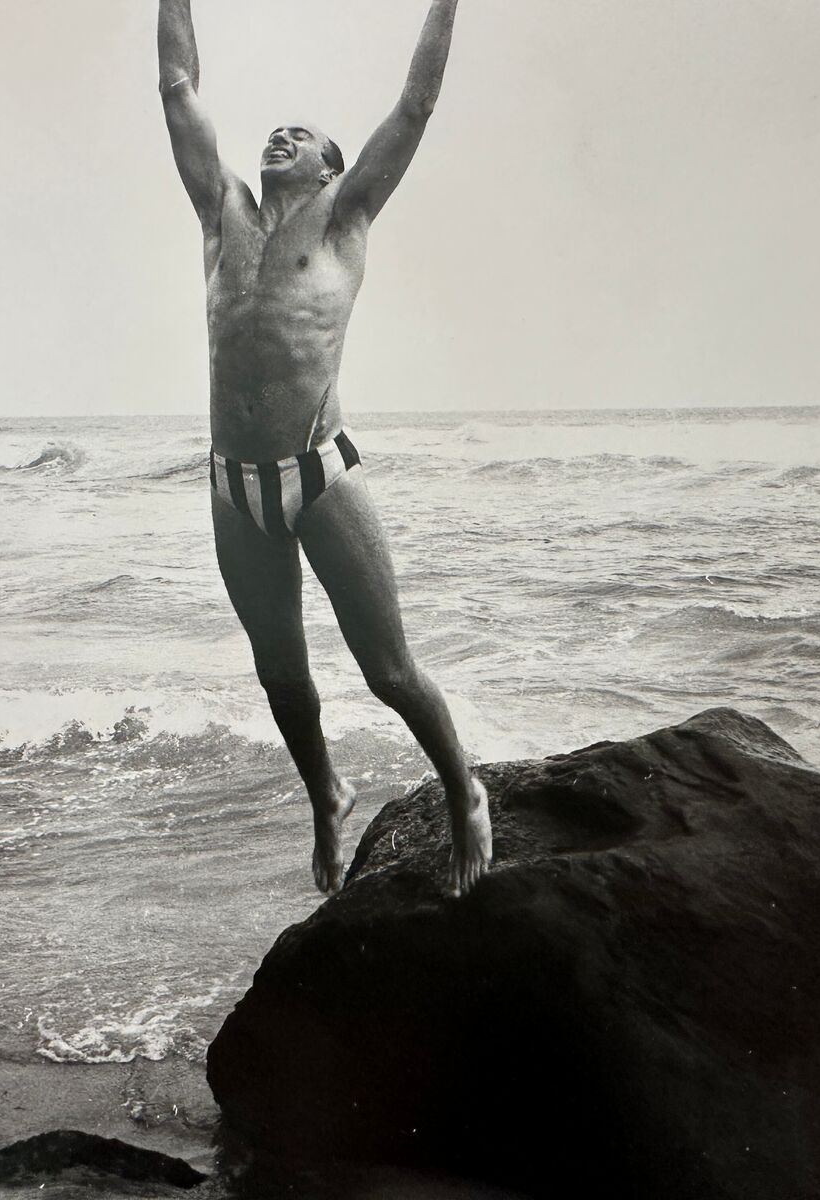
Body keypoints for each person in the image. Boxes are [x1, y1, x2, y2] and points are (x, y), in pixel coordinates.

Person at [158, 0, 491, 896]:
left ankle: (465, 790)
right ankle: (326, 796)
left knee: (387, 671)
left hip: (318, 475)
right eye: (276, 129)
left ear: (330, 168)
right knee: (282, 680)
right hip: (235, 489)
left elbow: (416, 105)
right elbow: (179, 86)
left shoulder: (344, 218)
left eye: (300, 135)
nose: (281, 135)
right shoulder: (222, 215)